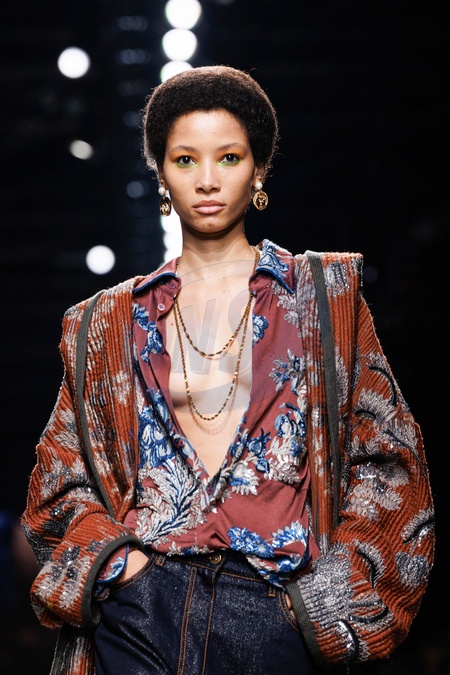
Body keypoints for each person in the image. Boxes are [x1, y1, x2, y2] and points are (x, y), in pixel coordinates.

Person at [21, 65, 435, 675]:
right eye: (185, 160)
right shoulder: (106, 323)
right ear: (161, 173)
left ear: (259, 169)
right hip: (139, 611)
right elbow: (60, 480)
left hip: (272, 610)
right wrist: (122, 571)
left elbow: (391, 464)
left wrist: (311, 607)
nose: (208, 179)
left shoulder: (323, 299)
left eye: (230, 157)